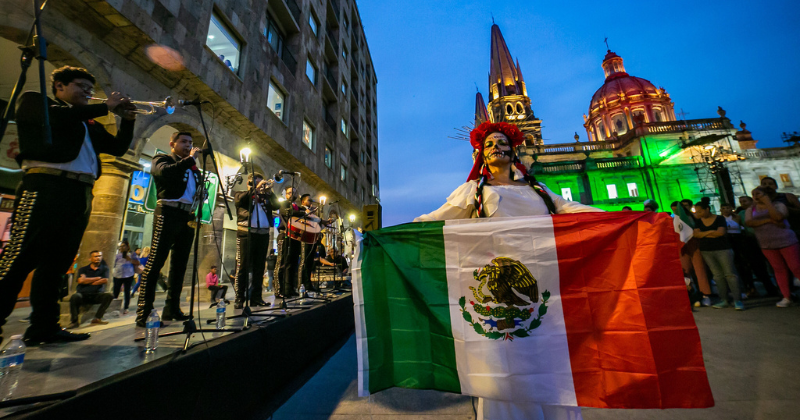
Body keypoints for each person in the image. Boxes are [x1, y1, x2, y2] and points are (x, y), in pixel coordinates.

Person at [415, 121, 600, 420]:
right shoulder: (473, 191)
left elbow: (570, 208)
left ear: (513, 150)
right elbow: (434, 220)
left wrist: (625, 218)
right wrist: (387, 235)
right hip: (501, 295)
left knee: (549, 360)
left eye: (501, 142)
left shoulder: (537, 189)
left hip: (544, 288)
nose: (496, 147)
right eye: (489, 144)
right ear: (481, 156)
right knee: (505, 367)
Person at [0, 66, 135, 344]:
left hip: (79, 193)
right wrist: (104, 107)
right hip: (44, 186)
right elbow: (56, 118)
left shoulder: (85, 122)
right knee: (18, 260)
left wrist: (128, 121)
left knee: (55, 266)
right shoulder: (37, 101)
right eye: (81, 85)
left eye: (90, 88)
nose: (88, 92)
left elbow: (118, 149)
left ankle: (43, 327)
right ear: (59, 85)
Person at [135, 132, 202, 327]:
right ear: (172, 143)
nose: (188, 145)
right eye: (183, 142)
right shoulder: (162, 159)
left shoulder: (193, 167)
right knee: (155, 261)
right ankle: (144, 313)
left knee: (179, 266)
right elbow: (164, 173)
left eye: (190, 143)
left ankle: (171, 308)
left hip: (186, 215)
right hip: (167, 212)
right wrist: (189, 160)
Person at [745, 187, 800, 307]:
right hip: (767, 244)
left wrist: (768, 203)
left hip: (786, 241)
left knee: (796, 267)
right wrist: (768, 220)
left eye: (758, 193)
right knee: (779, 270)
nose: (755, 196)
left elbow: (779, 217)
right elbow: (749, 223)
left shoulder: (778, 205)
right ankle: (786, 296)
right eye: (753, 194)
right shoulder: (751, 209)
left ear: (766, 194)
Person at [234, 172, 280, 308]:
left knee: (259, 267)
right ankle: (239, 298)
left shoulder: (266, 197)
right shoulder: (241, 194)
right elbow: (239, 201)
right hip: (246, 233)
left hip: (263, 233)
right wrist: (255, 190)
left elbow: (277, 206)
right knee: (243, 266)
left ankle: (256, 298)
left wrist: (270, 192)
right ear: (250, 183)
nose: (261, 186)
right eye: (257, 183)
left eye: (262, 183)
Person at [693, 201, 743, 310]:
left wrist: (704, 234)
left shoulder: (719, 218)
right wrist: (711, 232)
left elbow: (720, 233)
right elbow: (696, 234)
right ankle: (724, 299)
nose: (699, 213)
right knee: (717, 275)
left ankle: (737, 300)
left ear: (707, 209)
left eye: (700, 211)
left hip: (723, 249)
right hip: (707, 250)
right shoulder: (698, 221)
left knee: (730, 274)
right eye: (697, 211)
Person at [736, 196, 780, 296]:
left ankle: (779, 286)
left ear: (751, 201)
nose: (742, 203)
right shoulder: (742, 213)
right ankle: (770, 288)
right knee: (760, 267)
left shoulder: (759, 210)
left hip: (767, 238)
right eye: (741, 202)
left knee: (773, 264)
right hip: (753, 241)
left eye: (745, 201)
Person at [678, 199, 712, 307]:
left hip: (695, 244)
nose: (684, 208)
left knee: (700, 270)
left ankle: (705, 295)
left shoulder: (695, 218)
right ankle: (690, 294)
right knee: (685, 271)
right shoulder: (677, 219)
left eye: (686, 205)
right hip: (683, 245)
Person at [68, 251, 113, 329]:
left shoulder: (104, 269)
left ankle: (97, 318)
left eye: (99, 256)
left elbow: (105, 280)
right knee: (75, 297)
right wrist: (97, 278)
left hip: (96, 294)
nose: (98, 258)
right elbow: (80, 281)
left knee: (109, 295)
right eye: (95, 256)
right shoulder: (83, 269)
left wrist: (86, 280)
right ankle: (74, 321)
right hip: (83, 294)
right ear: (90, 259)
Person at [275, 187, 305, 298]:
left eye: (294, 193)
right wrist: (303, 213)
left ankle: (290, 288)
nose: (291, 195)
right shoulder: (283, 204)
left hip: (295, 236)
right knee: (283, 263)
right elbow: (289, 213)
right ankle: (280, 289)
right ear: (286, 195)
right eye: (289, 193)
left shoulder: (297, 207)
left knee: (293, 264)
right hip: (285, 235)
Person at [298, 194, 328, 293]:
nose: (311, 201)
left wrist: (325, 222)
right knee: (305, 261)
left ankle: (308, 284)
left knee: (310, 262)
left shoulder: (312, 212)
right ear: (303, 202)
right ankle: (302, 284)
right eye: (309, 200)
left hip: (312, 238)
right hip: (305, 237)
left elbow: (317, 221)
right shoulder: (301, 209)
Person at [112, 240, 139, 315]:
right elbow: (114, 264)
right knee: (116, 292)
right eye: (121, 246)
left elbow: (138, 262)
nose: (122, 248)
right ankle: (114, 308)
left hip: (128, 275)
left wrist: (129, 259)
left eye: (123, 246)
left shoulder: (132, 254)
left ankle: (126, 307)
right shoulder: (117, 255)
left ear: (127, 247)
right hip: (118, 275)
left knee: (127, 292)